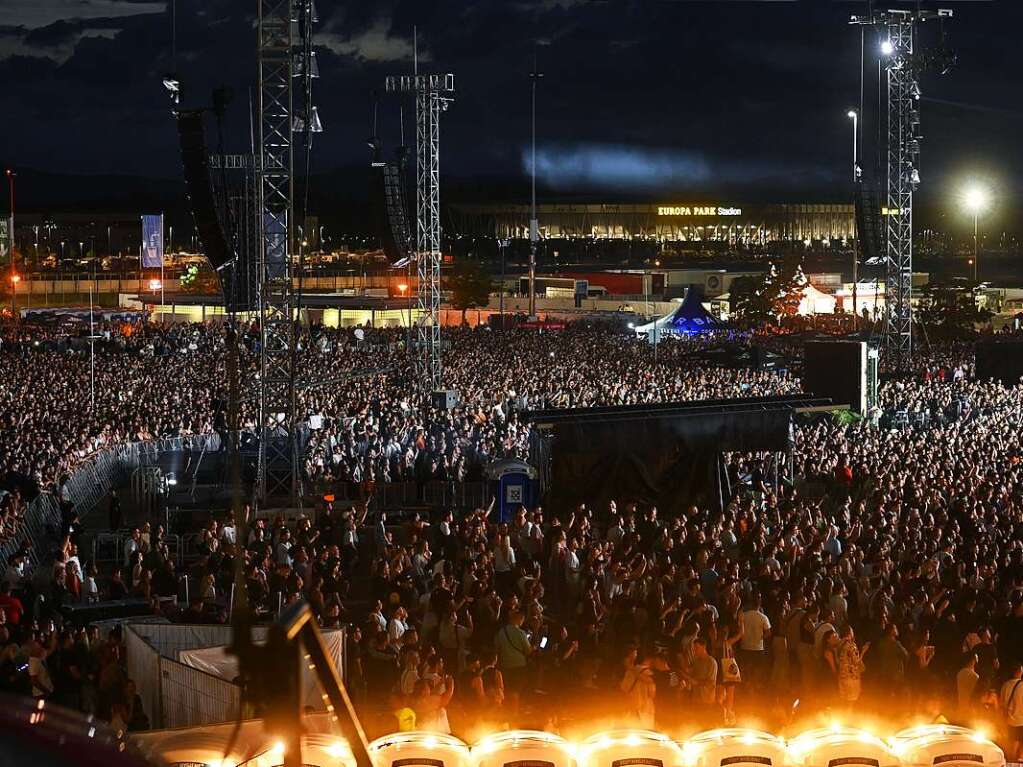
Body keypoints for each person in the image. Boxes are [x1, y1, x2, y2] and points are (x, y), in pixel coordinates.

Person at [1000, 663, 1023, 761]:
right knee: (1018, 744)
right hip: (1021, 720)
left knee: (1012, 743)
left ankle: (1011, 761)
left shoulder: (1005, 685)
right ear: (1020, 671)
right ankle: (1018, 760)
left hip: (1008, 720)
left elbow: (1002, 703)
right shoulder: (1022, 686)